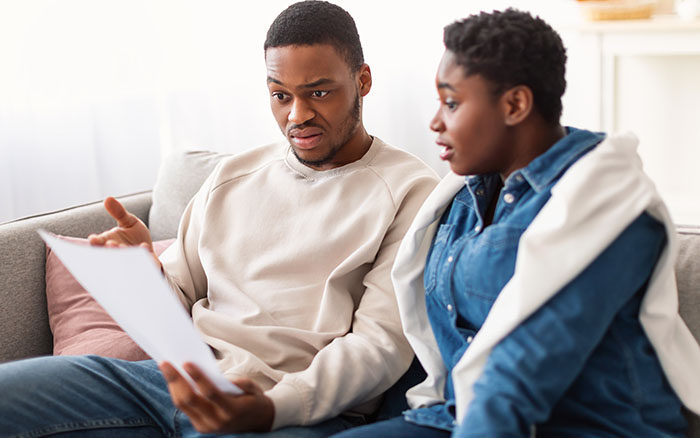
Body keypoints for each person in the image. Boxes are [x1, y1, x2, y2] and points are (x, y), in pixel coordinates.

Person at [0, 1, 439, 437]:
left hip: (286, 409)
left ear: (362, 80)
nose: (297, 116)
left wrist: (271, 408)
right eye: (280, 95)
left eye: (319, 93)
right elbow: (174, 305)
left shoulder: (410, 190)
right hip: (171, 384)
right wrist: (142, 274)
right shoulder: (232, 176)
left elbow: (380, 345)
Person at [332, 8, 700, 438]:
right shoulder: (462, 201)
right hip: (457, 416)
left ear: (515, 105)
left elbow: (522, 367)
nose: (435, 122)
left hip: (588, 426)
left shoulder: (611, 209)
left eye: (451, 103)